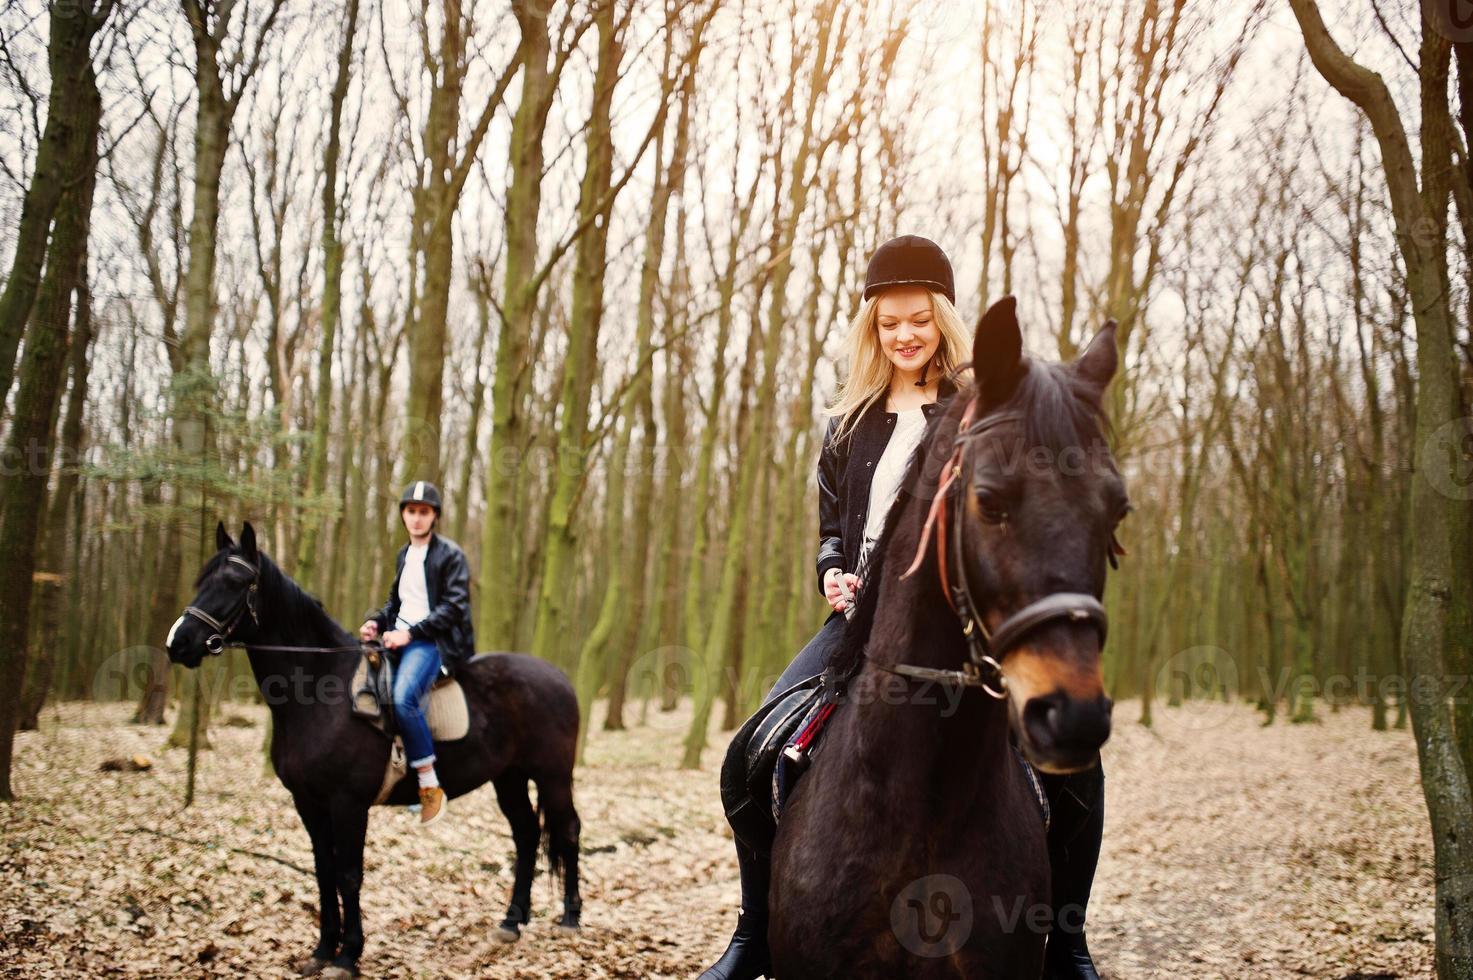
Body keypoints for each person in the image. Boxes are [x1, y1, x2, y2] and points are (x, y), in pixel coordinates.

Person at [698, 236, 1107, 980]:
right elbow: (831, 525)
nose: (905, 335)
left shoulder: (976, 409)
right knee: (751, 751)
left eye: (918, 319)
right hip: (861, 627)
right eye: (889, 323)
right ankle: (753, 933)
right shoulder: (848, 423)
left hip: (965, 630)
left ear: (941, 319)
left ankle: (1068, 946)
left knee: (1076, 768)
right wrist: (830, 572)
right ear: (871, 329)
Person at [359, 480, 475, 827]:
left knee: (403, 697)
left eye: (424, 512)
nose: (417, 518)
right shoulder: (404, 554)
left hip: (433, 642)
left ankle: (429, 783)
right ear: (403, 515)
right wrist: (375, 623)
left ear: (434, 516)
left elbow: (453, 607)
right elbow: (396, 604)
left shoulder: (451, 555)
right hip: (399, 637)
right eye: (411, 511)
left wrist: (409, 634)